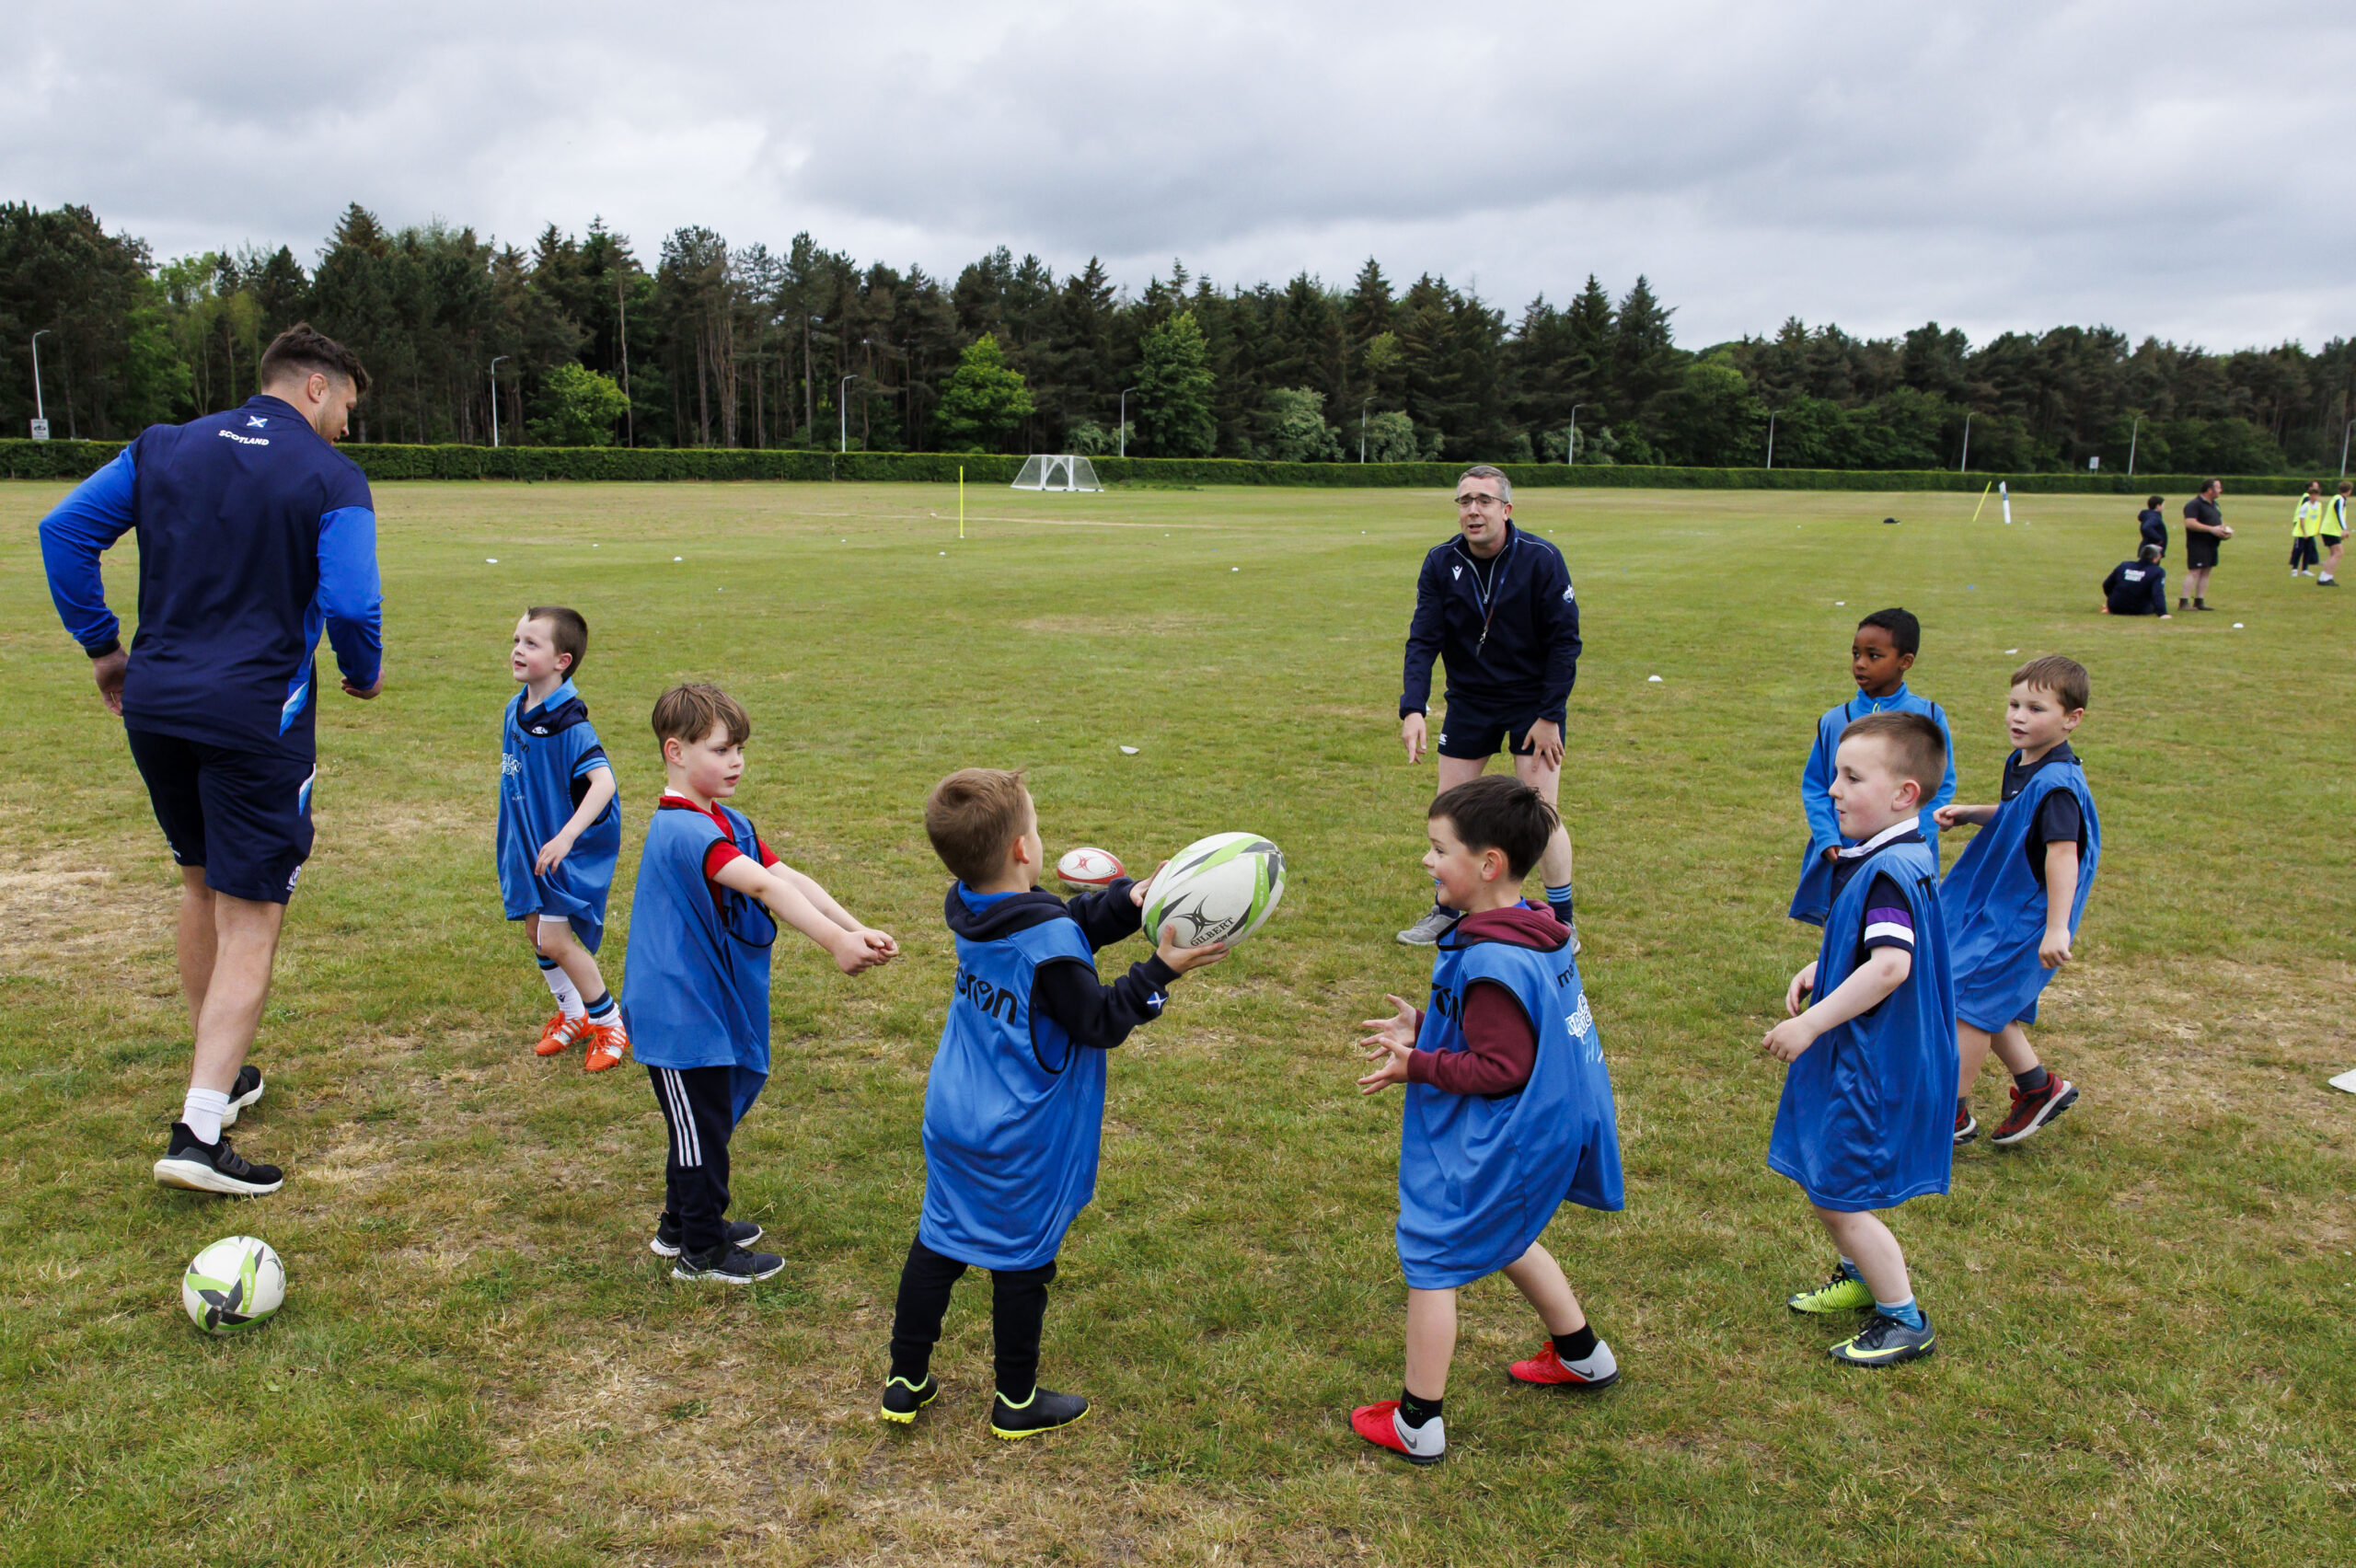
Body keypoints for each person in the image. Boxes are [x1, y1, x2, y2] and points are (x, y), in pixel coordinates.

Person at [38, 323, 381, 1197]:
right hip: (256, 717)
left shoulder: (162, 446)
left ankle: (217, 1080)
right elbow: (351, 602)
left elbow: (63, 531)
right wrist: (364, 669)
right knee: (253, 912)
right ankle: (197, 1133)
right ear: (315, 386)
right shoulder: (332, 476)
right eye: (346, 404)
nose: (347, 424)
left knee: (200, 883)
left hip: (154, 707)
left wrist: (103, 649)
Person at [882, 767, 1226, 1439]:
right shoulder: (1044, 944)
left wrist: (1128, 901)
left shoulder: (972, 905)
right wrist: (1160, 972)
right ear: (1022, 849)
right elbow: (1097, 1018)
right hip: (1019, 1131)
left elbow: (1057, 925)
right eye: (1035, 829)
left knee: (939, 1244)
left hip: (956, 1109)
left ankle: (905, 1378)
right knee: (1022, 1261)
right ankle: (1016, 1399)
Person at [1350, 777, 1623, 1465]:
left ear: (1489, 864)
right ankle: (1582, 1355)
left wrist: (1419, 1063)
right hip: (1549, 1126)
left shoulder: (1493, 958)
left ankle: (1418, 1422)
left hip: (1512, 1136)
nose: (1428, 860)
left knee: (1432, 1254)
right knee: (1507, 1235)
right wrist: (1429, 1023)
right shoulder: (1532, 926)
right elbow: (1513, 1029)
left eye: (1440, 849)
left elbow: (1501, 1066)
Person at [618, 684, 898, 1281]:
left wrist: (855, 926)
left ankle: (681, 1225)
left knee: (705, 1121)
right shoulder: (684, 831)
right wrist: (835, 943)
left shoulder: (725, 820)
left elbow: (784, 873)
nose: (737, 762)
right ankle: (702, 1253)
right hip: (675, 1009)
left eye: (740, 749)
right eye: (721, 750)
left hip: (702, 1002)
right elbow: (765, 888)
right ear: (675, 752)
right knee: (700, 1130)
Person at [1764, 711, 1954, 1367]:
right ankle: (1859, 1277)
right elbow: (1877, 946)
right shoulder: (1901, 853)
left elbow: (1892, 966)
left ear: (1905, 794)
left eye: (1851, 778)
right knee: (1830, 1179)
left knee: (1840, 1196)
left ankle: (1903, 1317)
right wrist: (1826, 964)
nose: (1833, 790)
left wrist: (1812, 1021)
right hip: (1869, 1056)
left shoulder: (1886, 870)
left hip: (1872, 1064)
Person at [1398, 466, 1584, 950]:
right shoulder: (1441, 562)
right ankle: (1446, 912)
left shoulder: (1542, 559)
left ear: (1506, 509)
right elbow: (1423, 640)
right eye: (1464, 501)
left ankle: (1562, 921)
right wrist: (1413, 708)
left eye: (1483, 500)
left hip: (1532, 703)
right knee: (1449, 812)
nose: (1473, 510)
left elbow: (1565, 643)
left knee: (1543, 814)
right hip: (1470, 701)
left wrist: (1549, 716)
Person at [1934, 656, 2099, 1147]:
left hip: (2024, 914)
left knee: (1966, 1003)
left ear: (2072, 719)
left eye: (2036, 709)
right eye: (2014, 704)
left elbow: (2063, 854)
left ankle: (1950, 1116)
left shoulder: (2058, 787)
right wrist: (1973, 813)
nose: (2019, 717)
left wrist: (2057, 927)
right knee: (1986, 996)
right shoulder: (2026, 762)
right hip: (2002, 904)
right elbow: (2018, 815)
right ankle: (2038, 1088)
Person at [497, 606, 627, 1069]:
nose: (517, 650)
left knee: (554, 939)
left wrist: (567, 837)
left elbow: (604, 783)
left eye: (531, 643)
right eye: (516, 640)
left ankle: (609, 1023)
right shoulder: (516, 708)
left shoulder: (570, 723)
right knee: (535, 930)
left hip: (565, 847)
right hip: (529, 842)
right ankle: (573, 1014)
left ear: (561, 661)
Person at [1789, 607, 1958, 927]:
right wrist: (1827, 836)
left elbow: (1941, 784)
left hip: (1905, 854)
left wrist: (1919, 834)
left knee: (1900, 928)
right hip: (1846, 852)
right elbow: (1816, 786)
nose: (1860, 663)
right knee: (1846, 929)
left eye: (1874, 655)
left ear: (1905, 661)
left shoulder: (1929, 717)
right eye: (1856, 654)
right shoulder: (1834, 721)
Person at [2179, 478, 2230, 610]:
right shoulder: (2194, 504)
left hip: (2212, 544)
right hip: (2198, 544)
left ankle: (2199, 601)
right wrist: (2211, 529)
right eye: (2218, 488)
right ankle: (2184, 602)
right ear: (2209, 490)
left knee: (2206, 571)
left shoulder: (2215, 504)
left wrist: (2224, 531)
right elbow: (2190, 523)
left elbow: (2217, 522)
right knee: (2194, 572)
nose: (2221, 490)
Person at [2100, 545, 2171, 617]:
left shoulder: (2124, 565)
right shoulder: (2157, 571)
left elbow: (2107, 585)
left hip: (2114, 606)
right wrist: (2162, 613)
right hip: (2138, 609)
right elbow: (2157, 593)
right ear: (2155, 558)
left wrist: (2115, 598)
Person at [2290, 481, 2326, 577]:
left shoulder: (2319, 505)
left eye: (2317, 495)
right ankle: (2294, 570)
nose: (2315, 497)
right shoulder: (2305, 506)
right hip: (2301, 532)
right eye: (2314, 495)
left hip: (2310, 532)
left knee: (2308, 550)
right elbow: (2301, 520)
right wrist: (2304, 532)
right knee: (2299, 550)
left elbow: (2318, 518)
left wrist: (2317, 529)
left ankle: (2305, 570)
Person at [2322, 481, 2351, 586]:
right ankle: (2326, 578)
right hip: (2331, 531)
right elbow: (2339, 514)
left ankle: (2324, 577)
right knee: (2339, 553)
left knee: (2333, 554)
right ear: (2349, 491)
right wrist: (2344, 529)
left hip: (2329, 530)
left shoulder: (2335, 498)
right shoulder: (2340, 499)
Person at [2137, 495, 2169, 559]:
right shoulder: (2154, 517)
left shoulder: (2149, 515)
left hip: (2148, 548)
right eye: (2163, 505)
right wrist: (2158, 539)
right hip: (2152, 551)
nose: (2164, 507)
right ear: (2158, 506)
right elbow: (2146, 527)